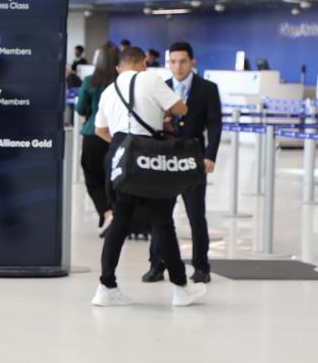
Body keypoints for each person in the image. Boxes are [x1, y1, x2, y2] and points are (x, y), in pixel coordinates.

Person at [92, 45, 205, 308]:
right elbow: (181, 109)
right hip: (148, 158)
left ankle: (106, 286)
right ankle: (181, 288)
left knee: (119, 221)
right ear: (144, 62)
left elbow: (100, 130)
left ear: (119, 67)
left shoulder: (109, 90)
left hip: (118, 157)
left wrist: (122, 146)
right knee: (161, 221)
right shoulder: (150, 79)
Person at [143, 41, 222, 285]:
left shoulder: (207, 89)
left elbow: (214, 124)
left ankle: (201, 266)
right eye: (173, 61)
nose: (178, 67)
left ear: (192, 62)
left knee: (196, 214)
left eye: (183, 61)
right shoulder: (161, 88)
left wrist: (210, 155)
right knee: (160, 214)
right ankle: (157, 265)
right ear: (168, 63)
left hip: (193, 158)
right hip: (165, 158)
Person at [75, 43, 118, 235]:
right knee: (114, 178)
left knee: (93, 179)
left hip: (93, 134)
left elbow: (80, 108)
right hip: (116, 135)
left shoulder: (90, 81)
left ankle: (107, 213)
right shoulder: (122, 82)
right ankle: (115, 213)